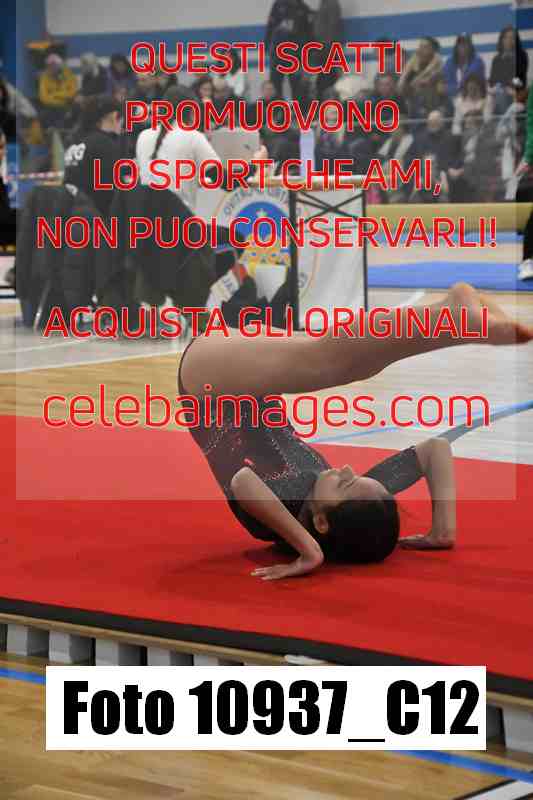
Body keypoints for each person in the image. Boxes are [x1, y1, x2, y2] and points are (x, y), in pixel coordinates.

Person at [177, 283, 533, 579]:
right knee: (333, 361)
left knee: (327, 362)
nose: (347, 470)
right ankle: (450, 317)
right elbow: (434, 449)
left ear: (321, 522)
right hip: (249, 384)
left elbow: (242, 481)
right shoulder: (350, 497)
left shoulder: (278, 515)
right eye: (356, 478)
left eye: (346, 484)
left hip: (209, 387)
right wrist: (443, 530)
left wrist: (309, 550)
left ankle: (451, 317)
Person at [63, 95, 123, 216]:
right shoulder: (104, 144)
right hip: (95, 216)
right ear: (113, 116)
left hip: (70, 214)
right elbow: (108, 191)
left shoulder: (75, 142)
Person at [489, 26, 528, 114]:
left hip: (518, 90)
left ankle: (506, 121)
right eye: (506, 38)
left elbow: (519, 81)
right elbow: (493, 81)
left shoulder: (522, 56)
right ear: (501, 40)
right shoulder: (497, 59)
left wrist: (508, 62)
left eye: (512, 38)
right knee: (498, 94)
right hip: (501, 90)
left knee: (503, 94)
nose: (509, 41)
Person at [38, 53, 78, 129]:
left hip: (66, 105)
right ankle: (50, 133)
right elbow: (43, 97)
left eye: (54, 65)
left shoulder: (69, 74)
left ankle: (62, 133)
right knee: (42, 117)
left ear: (60, 65)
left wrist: (55, 95)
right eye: (49, 65)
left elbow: (72, 93)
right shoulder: (44, 77)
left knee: (67, 117)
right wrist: (58, 100)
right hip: (51, 106)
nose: (51, 68)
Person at [443, 34, 485, 98]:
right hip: (452, 95)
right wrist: (451, 89)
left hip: (472, 95)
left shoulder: (477, 61)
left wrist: (455, 89)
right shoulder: (450, 61)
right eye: (460, 44)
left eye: (466, 44)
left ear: (470, 47)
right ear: (456, 47)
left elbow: (468, 80)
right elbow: (446, 80)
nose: (463, 47)